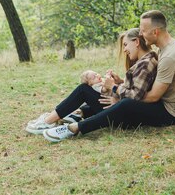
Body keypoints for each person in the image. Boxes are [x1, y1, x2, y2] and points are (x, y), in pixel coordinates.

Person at [42, 10, 175, 142]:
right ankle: (62, 116)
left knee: (125, 104)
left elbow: (153, 97)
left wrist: (116, 90)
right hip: (158, 105)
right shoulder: (164, 49)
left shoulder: (170, 56)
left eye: (143, 31)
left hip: (169, 112)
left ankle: (75, 127)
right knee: (85, 90)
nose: (140, 34)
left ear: (156, 32)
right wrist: (120, 86)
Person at [25, 28, 158, 135]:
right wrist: (120, 81)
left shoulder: (145, 64)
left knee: (83, 90)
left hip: (126, 116)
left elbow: (136, 96)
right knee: (89, 93)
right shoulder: (145, 61)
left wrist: (113, 87)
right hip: (124, 110)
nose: (124, 50)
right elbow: (139, 88)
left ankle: (48, 121)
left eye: (125, 45)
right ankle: (67, 115)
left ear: (136, 42)